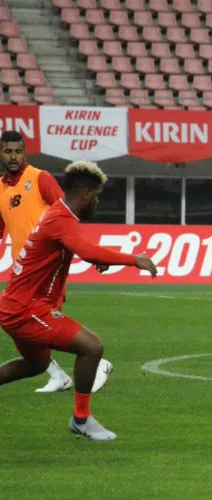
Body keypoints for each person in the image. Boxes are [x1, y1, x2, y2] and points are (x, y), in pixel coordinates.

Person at [0, 160, 157, 441]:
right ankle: (81, 419)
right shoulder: (60, 218)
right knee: (92, 347)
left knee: (36, 364)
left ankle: (81, 419)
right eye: (96, 195)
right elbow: (88, 251)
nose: (97, 200)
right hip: (27, 310)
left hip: (17, 305)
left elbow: (77, 249)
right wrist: (135, 260)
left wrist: (98, 259)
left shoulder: (60, 214)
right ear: (85, 193)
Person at [0, 130, 113, 393]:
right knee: (35, 327)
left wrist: (88, 250)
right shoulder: (1, 188)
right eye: (8, 151)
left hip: (47, 269)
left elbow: (68, 212)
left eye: (18, 151)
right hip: (23, 273)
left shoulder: (40, 178)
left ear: (25, 153)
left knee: (41, 323)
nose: (13, 156)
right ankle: (61, 373)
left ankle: (95, 361)